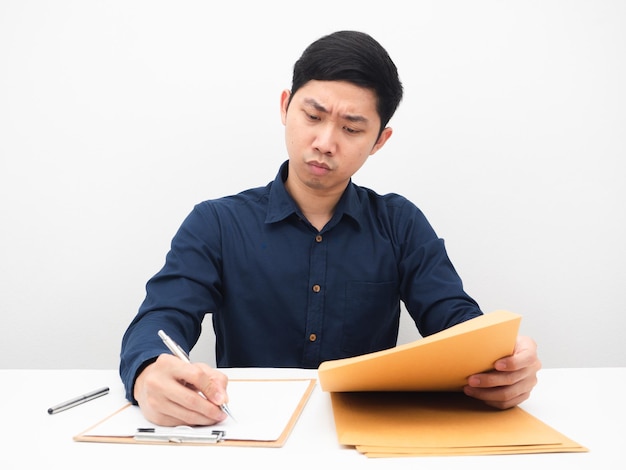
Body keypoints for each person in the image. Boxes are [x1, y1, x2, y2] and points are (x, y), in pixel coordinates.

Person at [120, 30, 541, 427]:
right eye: (312, 115)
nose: (325, 141)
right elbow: (161, 317)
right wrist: (149, 369)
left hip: (364, 438)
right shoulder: (216, 223)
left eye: (352, 128)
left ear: (380, 140)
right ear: (285, 107)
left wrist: (499, 362)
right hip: (247, 431)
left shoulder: (400, 224)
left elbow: (456, 323)